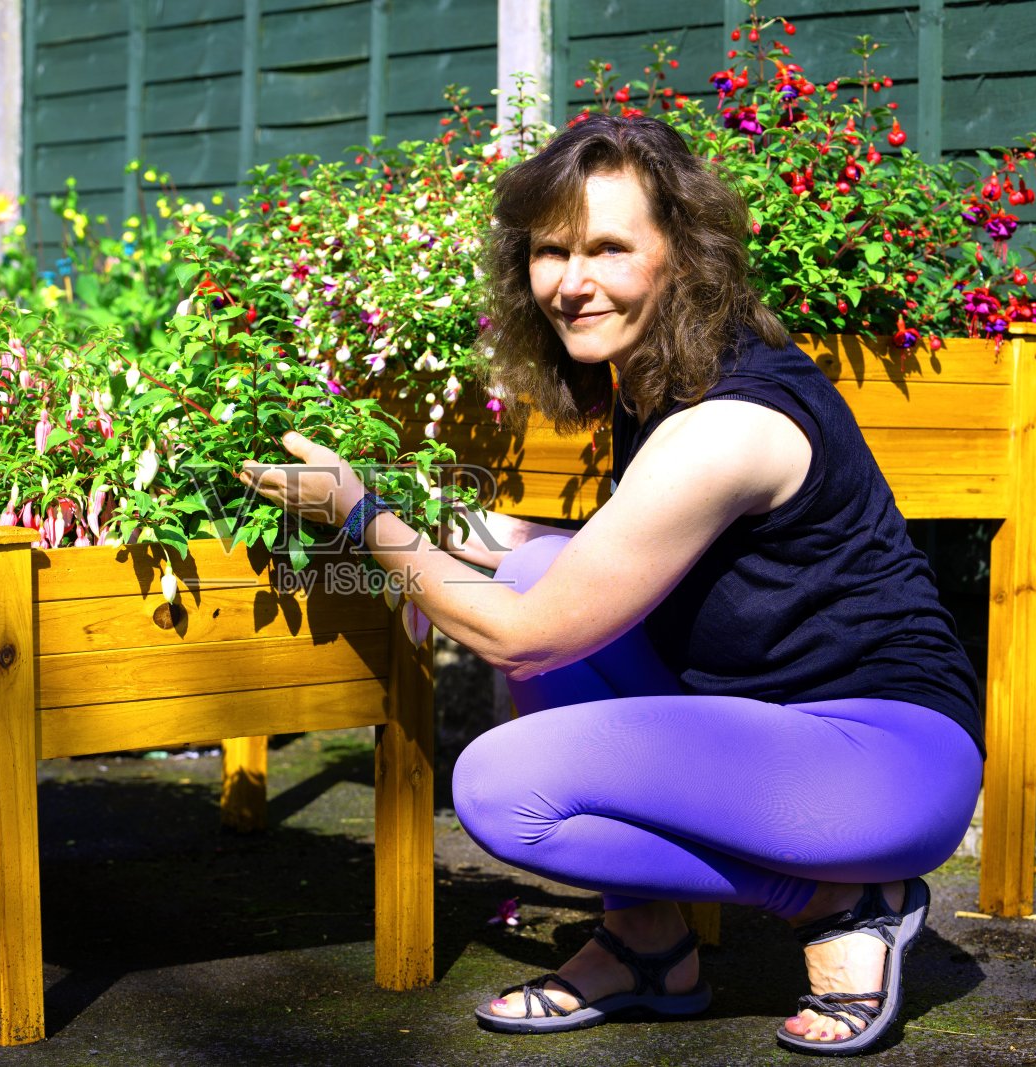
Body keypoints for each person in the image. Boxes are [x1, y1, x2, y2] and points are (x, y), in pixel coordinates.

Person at [239, 114, 983, 1056]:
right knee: (544, 557)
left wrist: (358, 515)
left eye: (607, 247)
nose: (570, 281)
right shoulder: (660, 379)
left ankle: (843, 898)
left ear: (683, 254)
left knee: (505, 789)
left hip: (880, 762)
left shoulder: (725, 426)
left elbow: (525, 637)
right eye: (550, 251)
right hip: (768, 732)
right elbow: (575, 557)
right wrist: (412, 506)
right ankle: (645, 947)